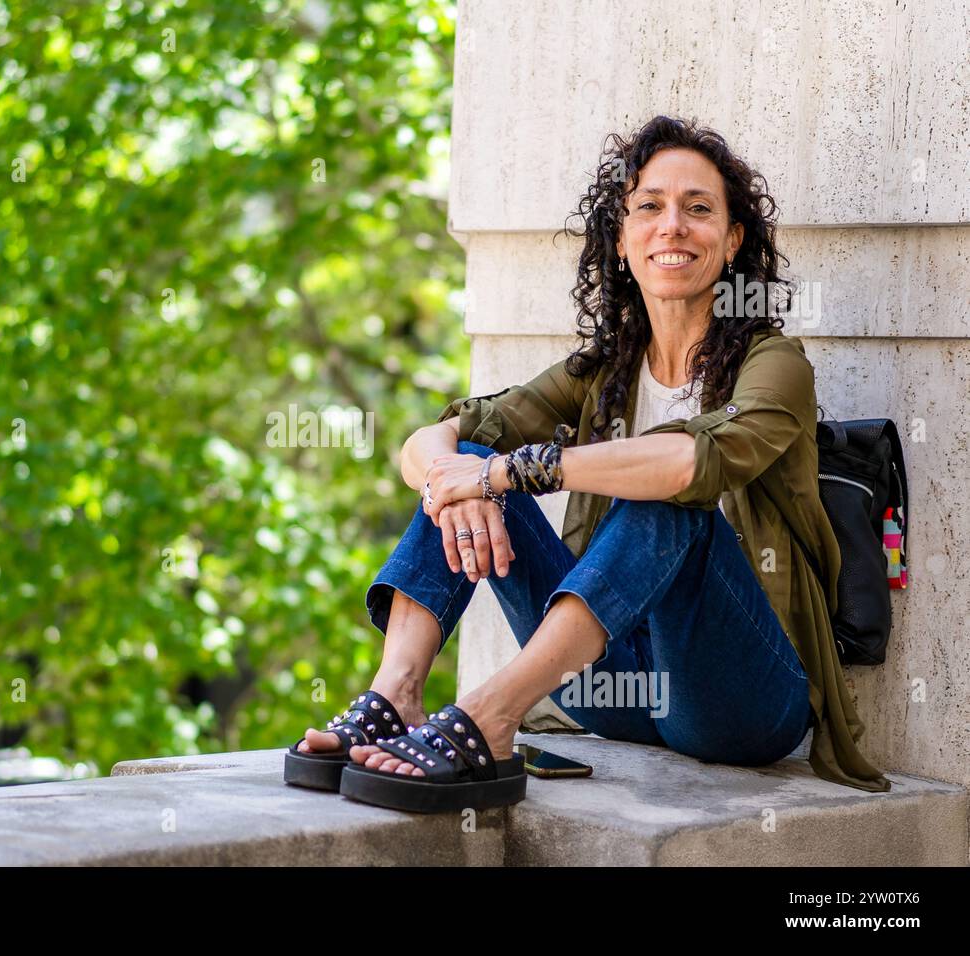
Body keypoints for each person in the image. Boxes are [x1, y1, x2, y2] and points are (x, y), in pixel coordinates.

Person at [284, 115, 891, 812]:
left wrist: (516, 473)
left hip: (740, 700)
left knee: (665, 496)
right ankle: (396, 694)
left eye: (699, 209)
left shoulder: (774, 365)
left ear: (731, 243)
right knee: (467, 458)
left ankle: (491, 716)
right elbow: (430, 440)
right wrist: (465, 480)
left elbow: (690, 466)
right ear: (624, 239)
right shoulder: (605, 370)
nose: (673, 226)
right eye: (650, 207)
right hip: (609, 688)